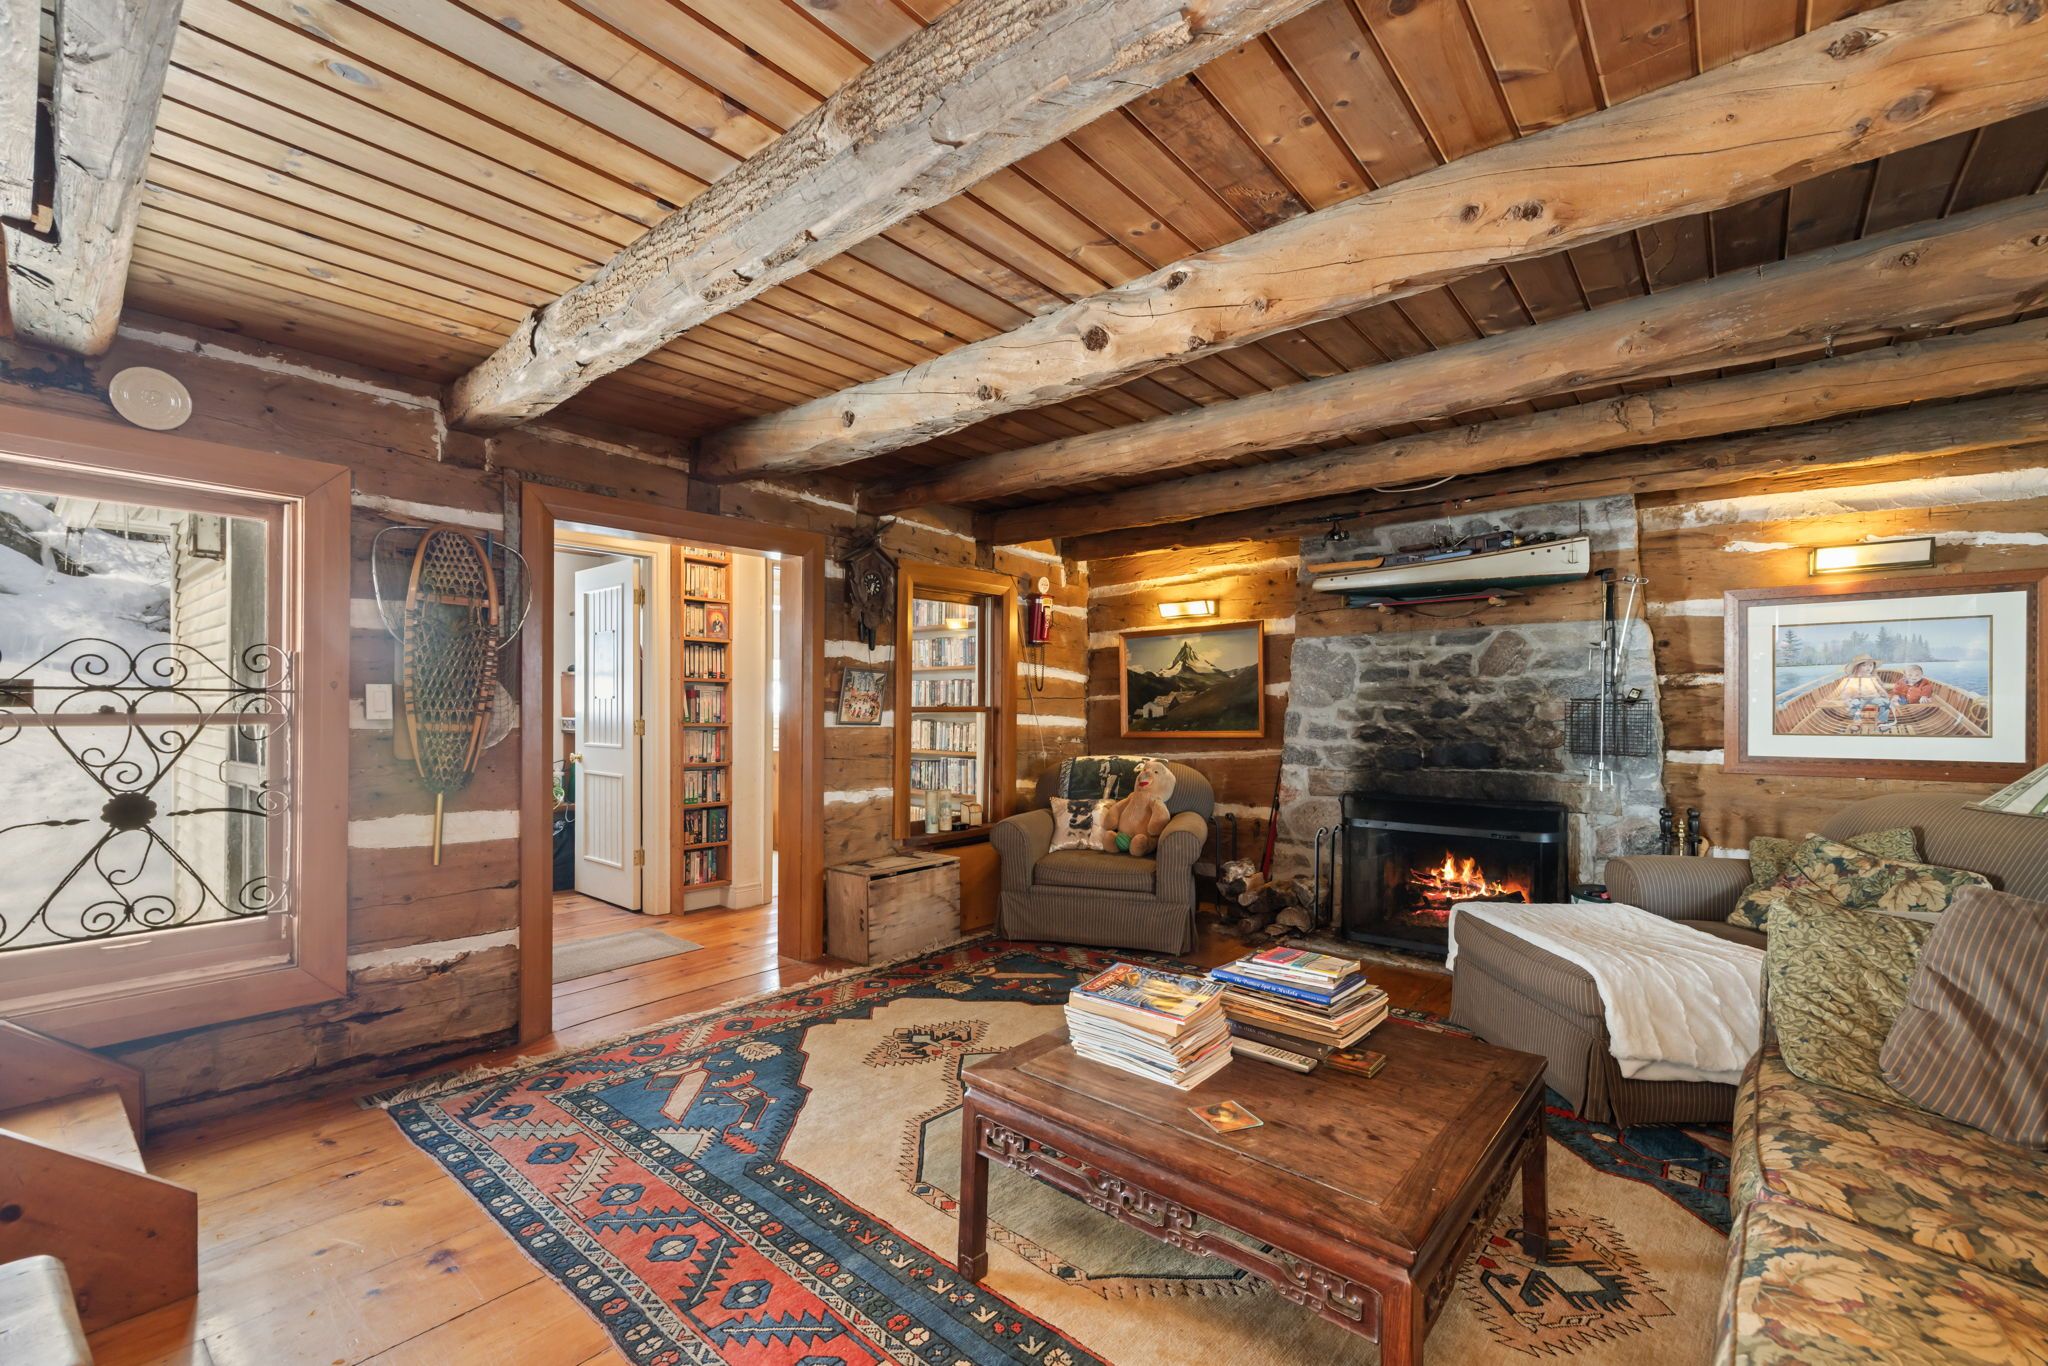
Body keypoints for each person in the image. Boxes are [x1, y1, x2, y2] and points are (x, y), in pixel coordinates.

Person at [1833, 655, 1893, 731]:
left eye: (1870, 665)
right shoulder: (1853, 678)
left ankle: (1881, 722)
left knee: (1886, 703)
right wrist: (1847, 697)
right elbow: (1847, 690)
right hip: (1859, 698)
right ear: (1857, 667)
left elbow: (1880, 688)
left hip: (1873, 697)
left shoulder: (1873, 678)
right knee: (1854, 704)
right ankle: (1857, 722)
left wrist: (1886, 696)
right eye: (1864, 665)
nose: (1868, 668)